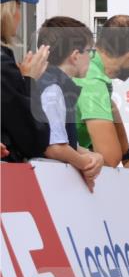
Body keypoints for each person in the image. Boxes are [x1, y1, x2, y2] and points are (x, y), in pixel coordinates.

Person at [74, 14, 129, 189]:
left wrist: (127, 155)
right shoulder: (92, 80)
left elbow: (110, 105)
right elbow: (109, 158)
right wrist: (122, 156)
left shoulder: (90, 63)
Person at [34, 17, 104, 190]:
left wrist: (94, 156)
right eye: (89, 51)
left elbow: (64, 141)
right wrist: (86, 164)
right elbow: (55, 147)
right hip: (47, 185)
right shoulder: (53, 88)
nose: (91, 57)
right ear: (75, 56)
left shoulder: (54, 84)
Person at [1, 0, 50, 163]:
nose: (19, 16)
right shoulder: (3, 65)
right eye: (18, 7)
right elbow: (35, 141)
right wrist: (29, 81)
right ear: (6, 11)